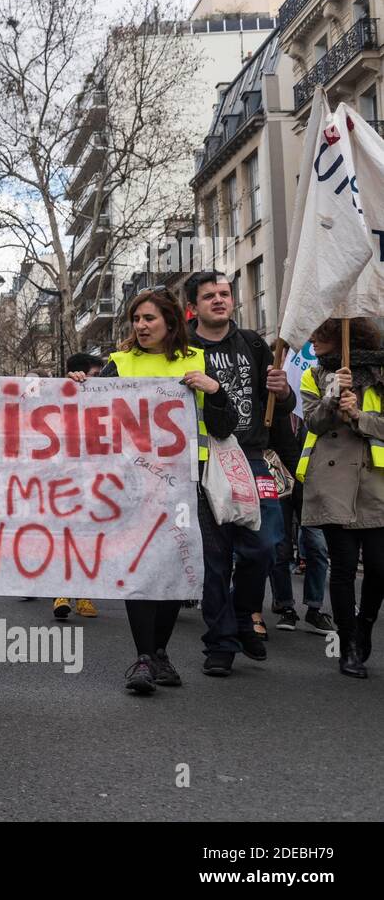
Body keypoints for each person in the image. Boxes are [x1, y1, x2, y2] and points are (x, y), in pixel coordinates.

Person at [68, 289, 236, 694]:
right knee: (140, 567)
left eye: (149, 319)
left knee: (171, 570)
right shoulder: (119, 365)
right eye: (137, 319)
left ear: (171, 322)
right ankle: (144, 658)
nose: (141, 326)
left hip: (185, 486)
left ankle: (158, 652)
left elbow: (224, 426)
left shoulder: (196, 360)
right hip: (135, 485)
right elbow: (87, 421)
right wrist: (77, 388)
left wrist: (214, 391)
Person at [183, 272, 292, 667]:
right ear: (192, 306)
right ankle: (221, 644)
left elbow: (278, 405)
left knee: (265, 546)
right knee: (214, 558)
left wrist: (285, 392)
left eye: (225, 294)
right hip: (203, 460)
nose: (219, 300)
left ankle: (245, 616)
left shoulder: (253, 343)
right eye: (209, 295)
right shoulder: (182, 347)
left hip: (251, 456)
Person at [297, 317, 384, 679]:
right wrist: (334, 394)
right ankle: (349, 645)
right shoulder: (314, 376)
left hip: (375, 482)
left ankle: (364, 625)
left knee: (379, 568)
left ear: (339, 336)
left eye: (319, 336)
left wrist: (359, 416)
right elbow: (313, 423)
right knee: (344, 568)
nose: (312, 342)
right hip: (332, 481)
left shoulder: (380, 373)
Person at [269, 411, 333, 634]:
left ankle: (314, 609)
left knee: (317, 546)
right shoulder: (272, 402)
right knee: (281, 546)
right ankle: (286, 606)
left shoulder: (315, 399)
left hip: (312, 483)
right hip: (279, 479)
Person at [51, 352, 104, 621]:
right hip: (62, 482)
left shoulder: (104, 400)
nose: (101, 381)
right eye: (96, 376)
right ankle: (62, 592)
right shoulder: (56, 397)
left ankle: (83, 594)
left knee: (87, 537)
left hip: (93, 481)